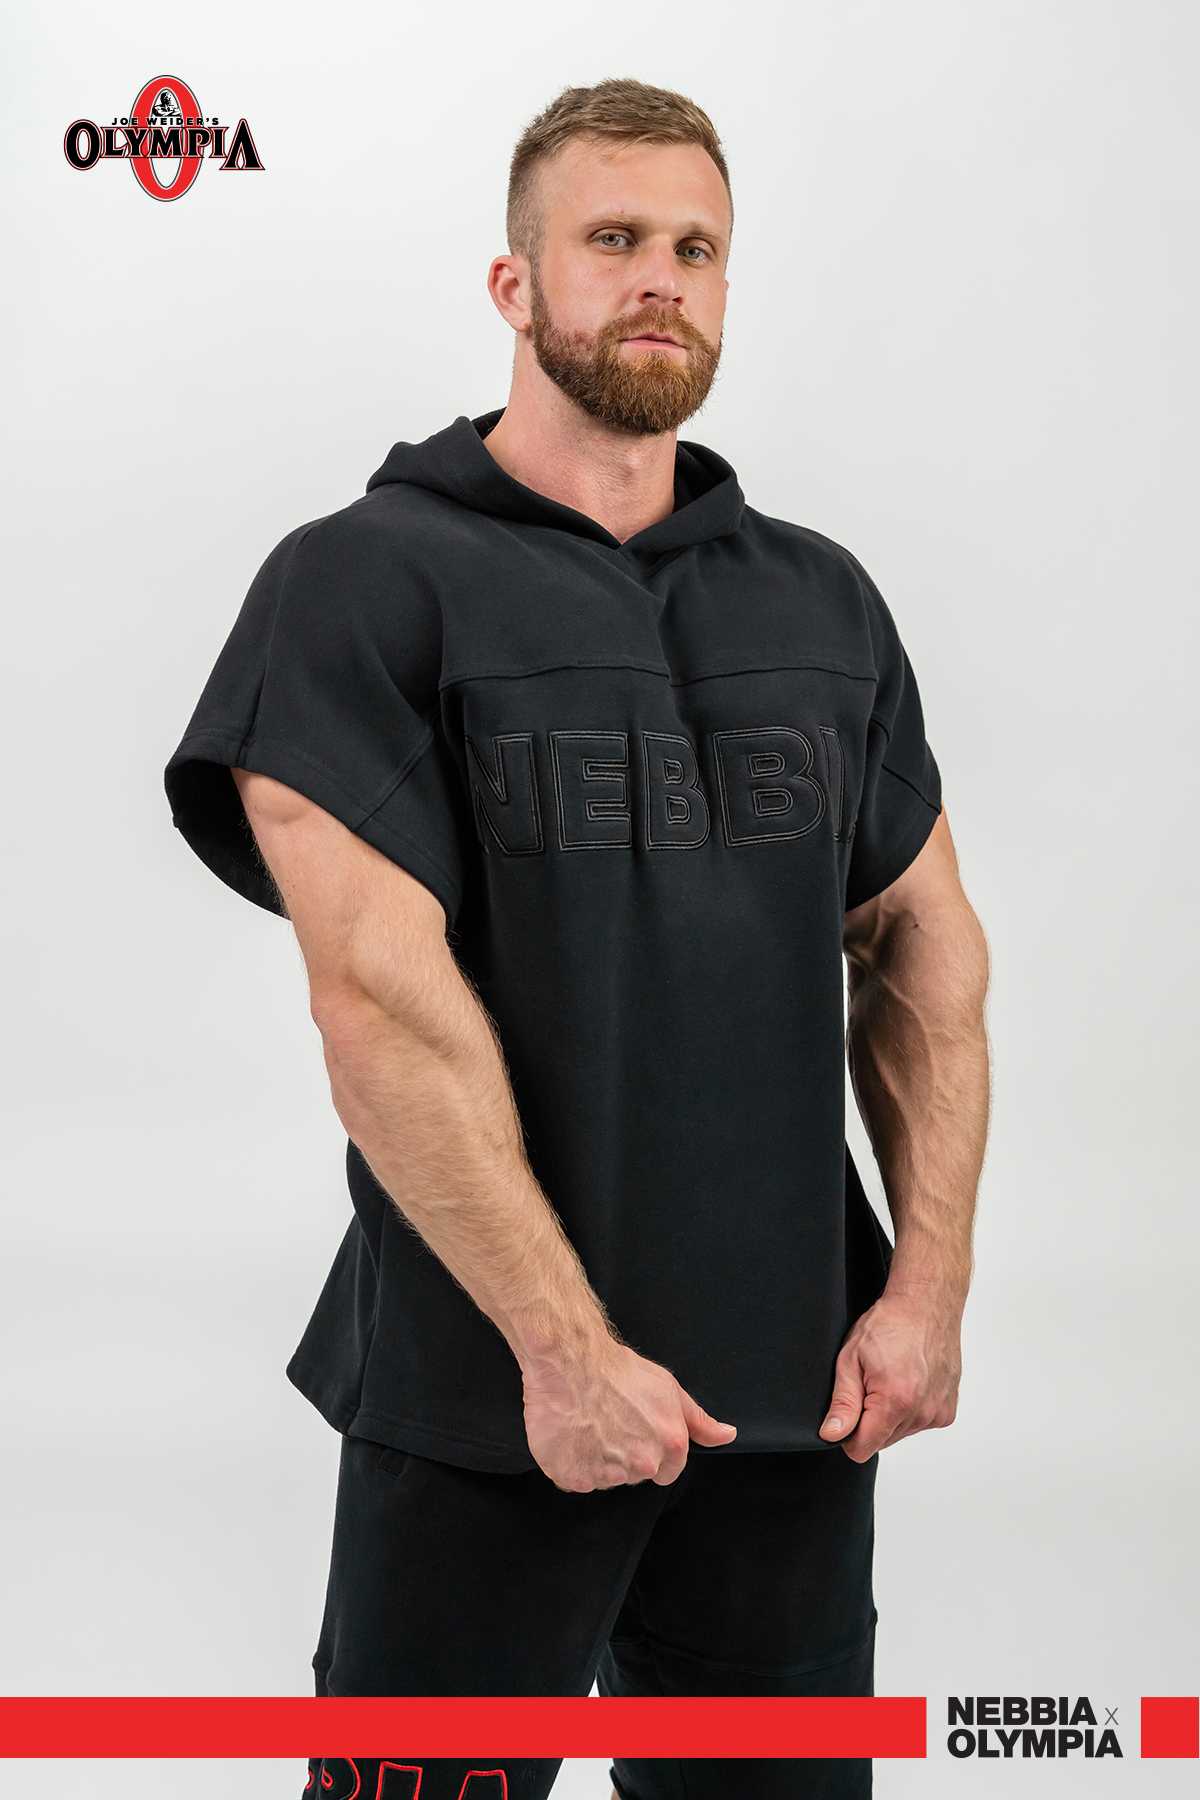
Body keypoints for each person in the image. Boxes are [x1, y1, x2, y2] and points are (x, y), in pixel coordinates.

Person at [163, 75, 990, 1800]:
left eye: (696, 247)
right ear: (514, 282)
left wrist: (925, 1293)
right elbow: (375, 1002)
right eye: (612, 239)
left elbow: (923, 947)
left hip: (796, 1407)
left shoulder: (821, 599)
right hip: (487, 1403)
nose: (659, 280)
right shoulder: (359, 583)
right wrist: (564, 1355)